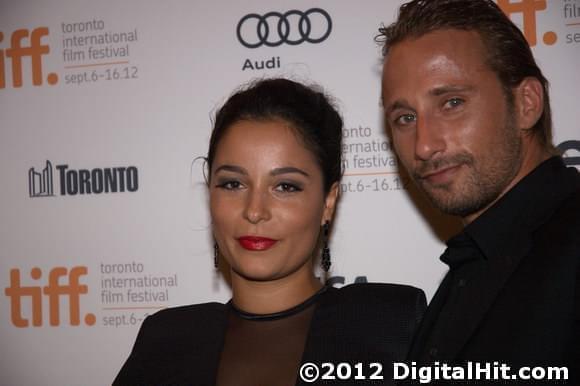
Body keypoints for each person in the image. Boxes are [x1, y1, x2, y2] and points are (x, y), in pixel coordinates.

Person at [113, 78, 426, 386]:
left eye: (285, 186)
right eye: (232, 184)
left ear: (328, 202)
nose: (254, 211)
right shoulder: (164, 339)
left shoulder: (391, 323)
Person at [378, 0, 580, 381]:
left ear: (526, 103)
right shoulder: (468, 265)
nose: (423, 145)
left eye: (452, 103)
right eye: (405, 118)